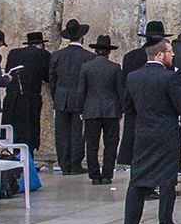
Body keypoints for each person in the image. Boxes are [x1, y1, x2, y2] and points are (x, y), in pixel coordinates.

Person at [122, 36, 181, 224]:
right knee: (167, 178)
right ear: (160, 55)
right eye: (170, 52)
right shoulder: (169, 77)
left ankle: (130, 223)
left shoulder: (133, 77)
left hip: (143, 133)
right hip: (166, 133)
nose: (173, 55)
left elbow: (128, 107)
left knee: (138, 177)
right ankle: (165, 222)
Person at [117, 21, 165, 167]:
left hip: (134, 105)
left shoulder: (130, 57)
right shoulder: (162, 57)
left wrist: (126, 106)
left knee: (134, 142)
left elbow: (125, 84)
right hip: (157, 108)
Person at [48, 20, 92, 176]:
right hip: (80, 99)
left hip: (61, 98)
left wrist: (56, 96)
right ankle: (75, 164)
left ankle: (64, 164)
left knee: (61, 134)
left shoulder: (57, 55)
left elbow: (52, 79)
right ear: (82, 37)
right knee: (77, 133)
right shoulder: (88, 56)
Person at [80, 34, 124, 184]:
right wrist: (121, 110)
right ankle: (107, 175)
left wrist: (81, 109)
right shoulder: (115, 68)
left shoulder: (86, 67)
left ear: (96, 51)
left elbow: (81, 91)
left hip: (91, 110)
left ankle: (94, 175)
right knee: (111, 144)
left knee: (91, 144)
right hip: (111, 111)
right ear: (109, 52)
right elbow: (120, 91)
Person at [3, 30, 51, 155]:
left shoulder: (13, 53)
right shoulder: (44, 55)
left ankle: (12, 156)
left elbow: (8, 72)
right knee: (29, 131)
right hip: (30, 99)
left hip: (12, 98)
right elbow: (47, 76)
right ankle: (27, 159)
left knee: (13, 130)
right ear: (41, 44)